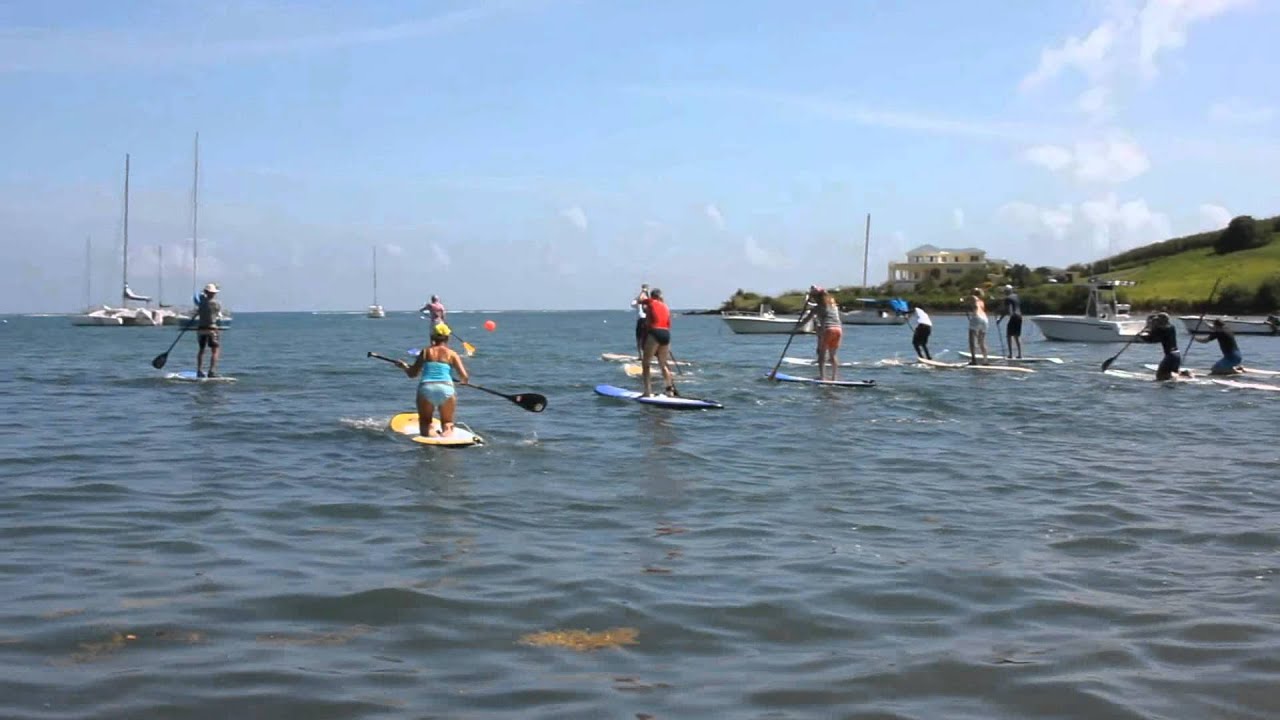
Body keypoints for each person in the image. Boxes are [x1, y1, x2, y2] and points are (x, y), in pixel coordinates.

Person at [396, 323, 470, 437]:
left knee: (425, 422)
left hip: (427, 388)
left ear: (432, 337)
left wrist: (404, 366)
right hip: (447, 388)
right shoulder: (452, 354)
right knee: (447, 423)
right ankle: (446, 439)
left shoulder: (425, 352)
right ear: (447, 337)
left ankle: (432, 438)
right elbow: (464, 376)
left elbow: (413, 374)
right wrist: (463, 382)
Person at [639, 288, 677, 397]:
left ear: (653, 296)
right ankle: (669, 390)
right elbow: (668, 324)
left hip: (655, 332)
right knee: (663, 364)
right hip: (666, 334)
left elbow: (640, 300)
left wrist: (643, 290)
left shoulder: (651, 301)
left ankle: (647, 392)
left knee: (646, 363)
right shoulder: (666, 306)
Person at [1137, 312, 1180, 380]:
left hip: (1170, 356)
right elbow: (1154, 333)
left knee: (1160, 376)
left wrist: (1141, 335)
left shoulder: (1161, 330)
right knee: (1172, 373)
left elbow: (1151, 339)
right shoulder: (1171, 327)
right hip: (1177, 354)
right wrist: (1151, 328)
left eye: (1158, 320)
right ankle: (1185, 374)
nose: (1156, 322)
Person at [194, 283, 223, 378]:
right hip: (212, 329)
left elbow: (198, 297)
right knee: (215, 350)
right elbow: (218, 312)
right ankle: (211, 371)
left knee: (201, 350)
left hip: (201, 330)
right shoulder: (216, 304)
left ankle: (199, 371)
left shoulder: (201, 302)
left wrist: (203, 295)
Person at [964, 288, 989, 365]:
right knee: (981, 341)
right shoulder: (982, 302)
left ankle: (973, 360)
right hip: (985, 319)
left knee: (972, 340)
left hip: (977, 317)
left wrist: (963, 299)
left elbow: (972, 299)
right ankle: (985, 360)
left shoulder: (974, 298)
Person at [999, 284, 1023, 359]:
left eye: (1005, 291)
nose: (1004, 292)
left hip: (1014, 316)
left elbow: (1007, 310)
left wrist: (1000, 319)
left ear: (1006, 291)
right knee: (1017, 336)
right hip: (1020, 317)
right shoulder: (1016, 296)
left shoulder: (1007, 298)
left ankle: (1010, 354)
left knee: (1009, 335)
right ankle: (1020, 354)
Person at [630, 284, 650, 359]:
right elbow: (632, 304)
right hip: (641, 320)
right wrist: (641, 294)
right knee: (639, 338)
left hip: (646, 320)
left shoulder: (649, 301)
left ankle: (646, 355)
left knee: (646, 338)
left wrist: (645, 293)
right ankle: (640, 355)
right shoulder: (638, 302)